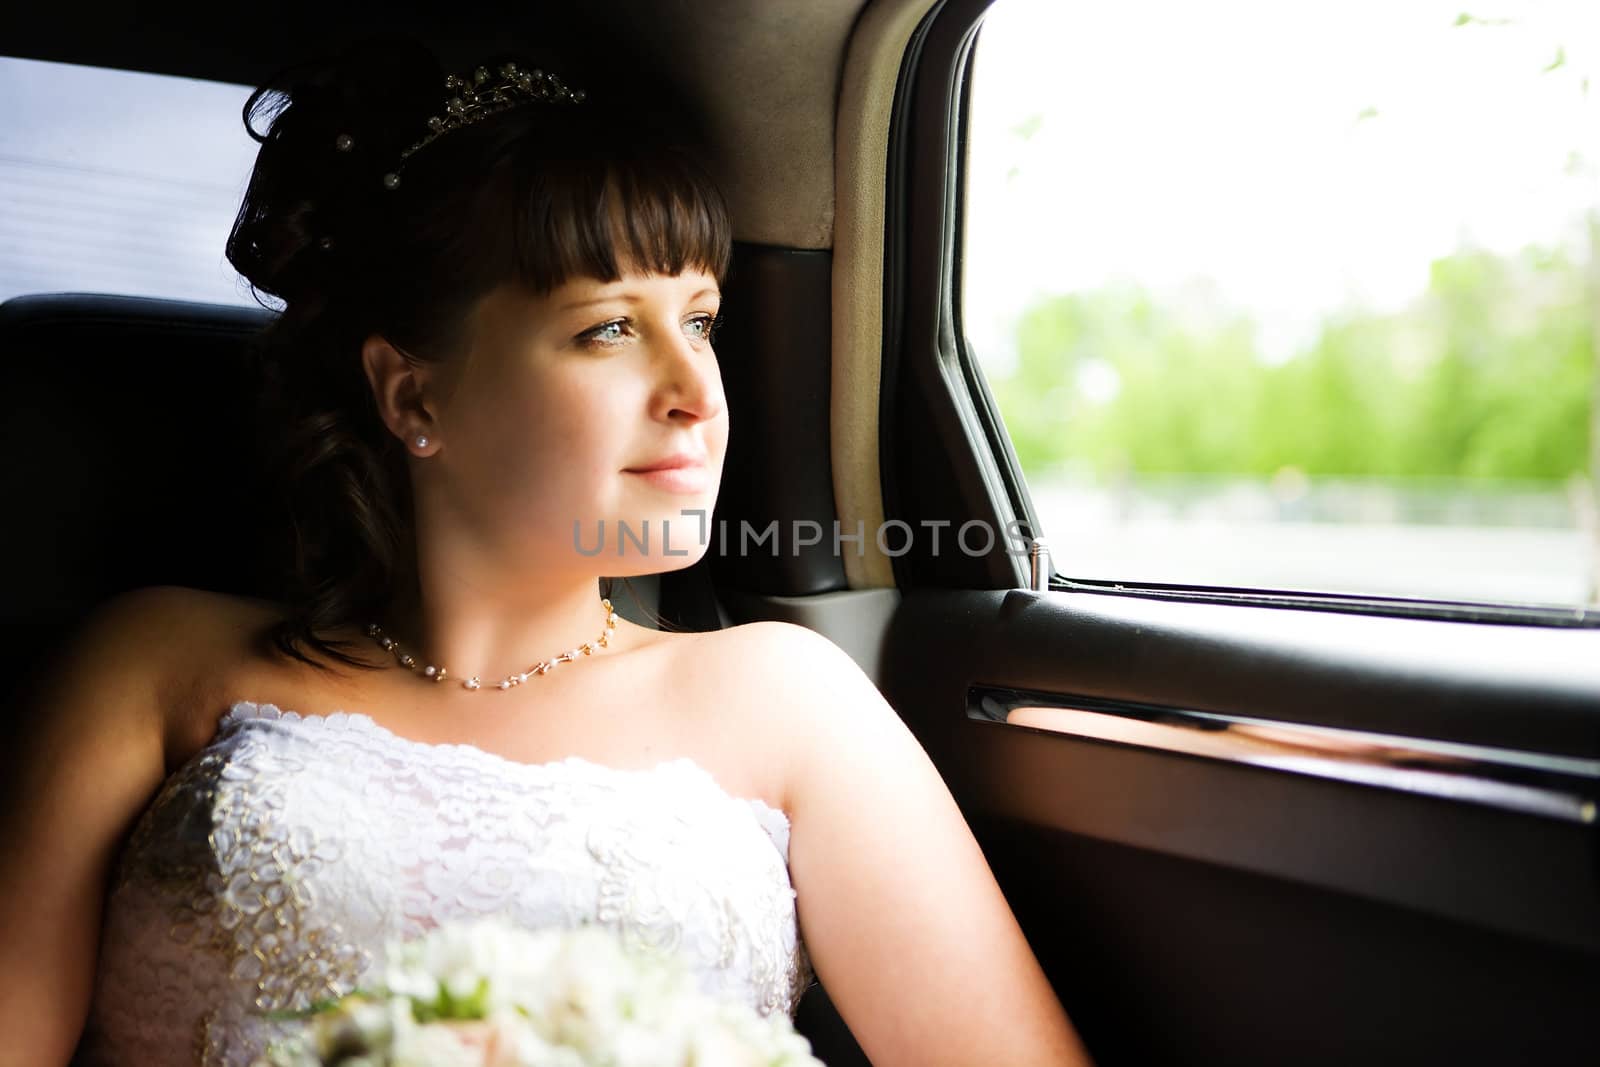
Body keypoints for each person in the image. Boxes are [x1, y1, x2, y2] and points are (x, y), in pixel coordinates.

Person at [0, 35, 1094, 1067]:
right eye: (609, 327)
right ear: (412, 390)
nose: (694, 394)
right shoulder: (155, 665)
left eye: (700, 320)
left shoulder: (791, 698)